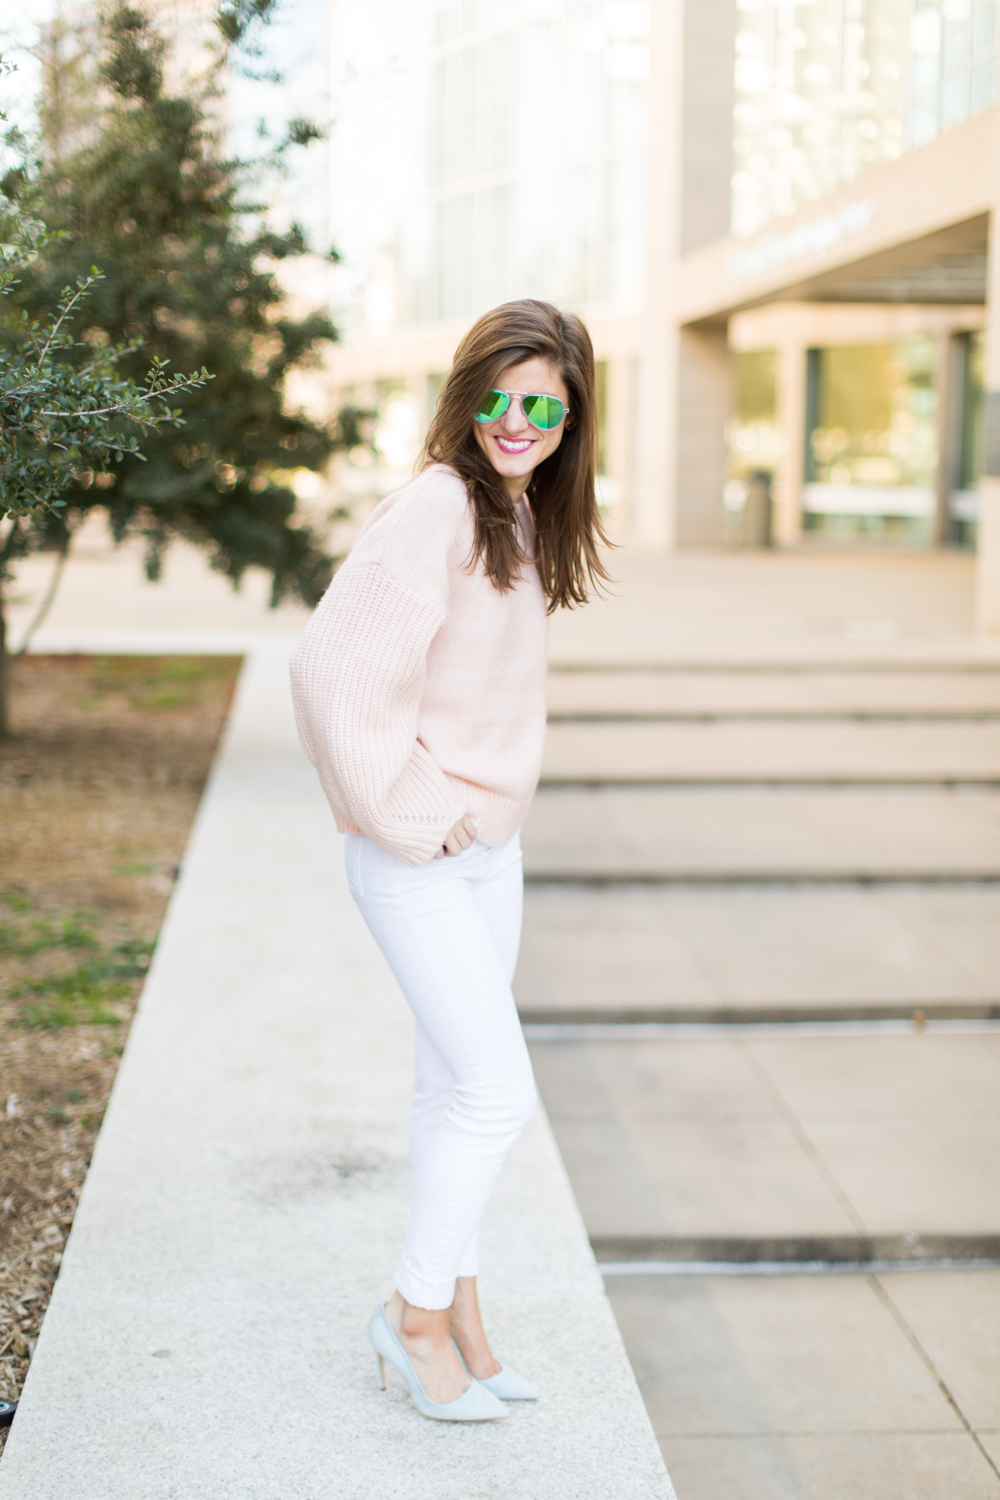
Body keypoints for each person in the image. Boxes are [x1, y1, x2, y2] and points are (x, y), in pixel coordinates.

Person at [290, 298, 608, 1422]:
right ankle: (414, 1315)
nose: (517, 422)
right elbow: (330, 668)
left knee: (448, 1089)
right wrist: (421, 808)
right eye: (499, 399)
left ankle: (464, 1318)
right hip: (421, 853)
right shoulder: (436, 506)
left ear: (571, 422)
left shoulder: (518, 512)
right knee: (494, 1090)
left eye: (544, 407)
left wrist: (478, 824)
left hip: (484, 857)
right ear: (464, 398)